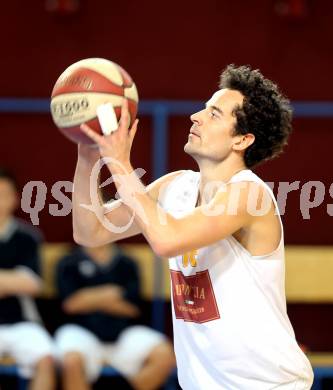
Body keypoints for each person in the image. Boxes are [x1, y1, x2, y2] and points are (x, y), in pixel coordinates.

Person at [73, 65, 314, 389]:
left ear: (243, 139)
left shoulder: (249, 193)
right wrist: (88, 155)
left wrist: (118, 162)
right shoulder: (176, 186)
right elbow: (90, 232)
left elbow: (166, 240)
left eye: (214, 114)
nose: (195, 117)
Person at [54, 243, 175, 390]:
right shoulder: (68, 261)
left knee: (164, 355)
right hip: (81, 332)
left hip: (123, 334)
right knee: (71, 361)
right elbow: (71, 305)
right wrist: (109, 294)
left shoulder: (127, 262)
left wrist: (88, 298)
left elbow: (132, 309)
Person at [0, 168, 55, 390]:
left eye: (3, 194)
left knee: (46, 359)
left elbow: (31, 284)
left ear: (14, 198)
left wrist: (15, 283)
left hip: (21, 323)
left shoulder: (27, 237)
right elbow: (18, 281)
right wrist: (11, 280)